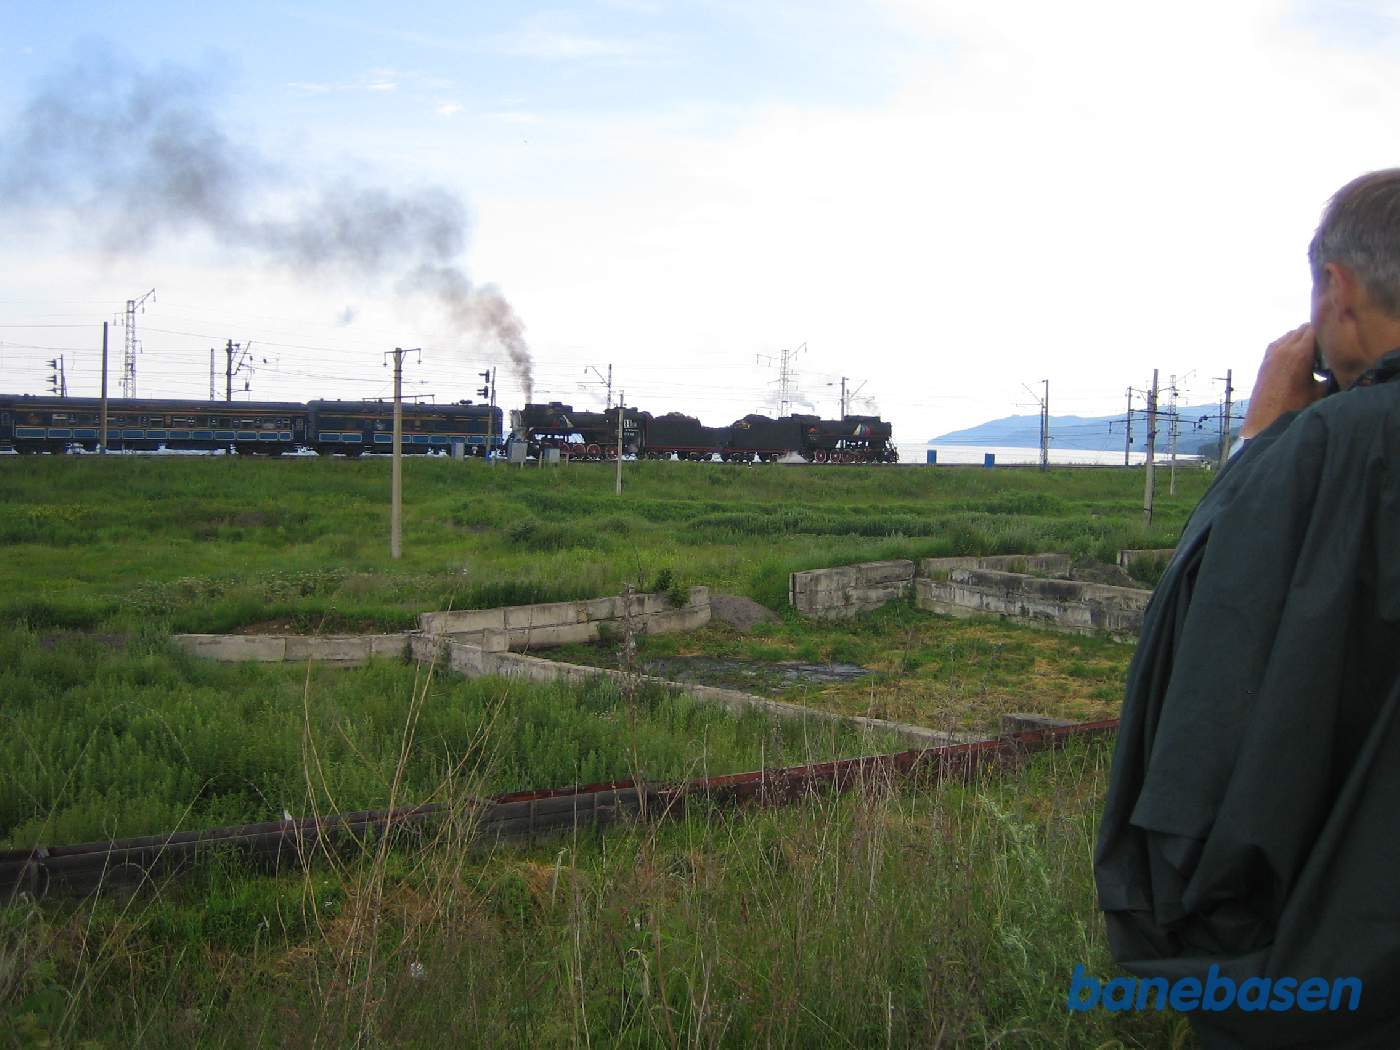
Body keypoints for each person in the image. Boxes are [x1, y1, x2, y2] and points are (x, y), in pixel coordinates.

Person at [1095, 168, 1400, 1049]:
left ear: (1336, 292)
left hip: (1330, 976)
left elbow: (1195, 682)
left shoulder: (1316, 456)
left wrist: (1261, 443)